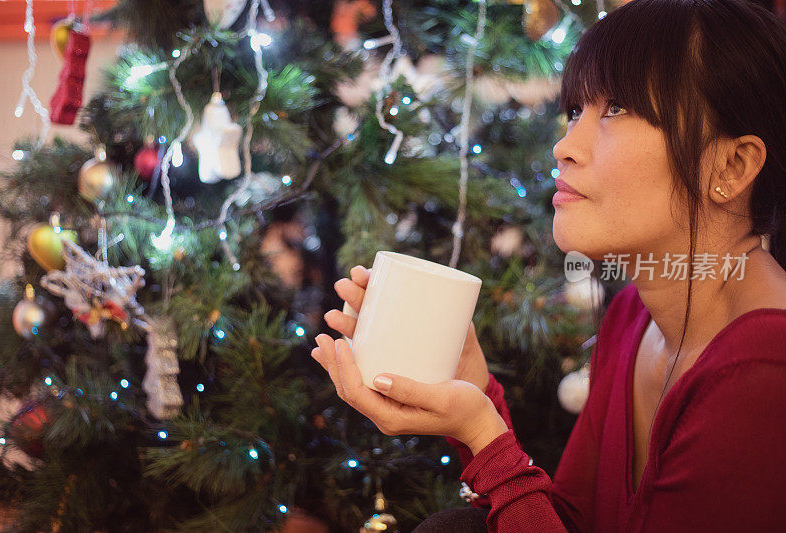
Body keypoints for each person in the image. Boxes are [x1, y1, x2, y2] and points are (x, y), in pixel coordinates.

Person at [312, 0, 786, 530]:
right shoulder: (634, 315)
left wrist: (484, 437)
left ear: (731, 165)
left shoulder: (765, 373)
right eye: (576, 111)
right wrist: (475, 395)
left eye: (616, 109)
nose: (564, 146)